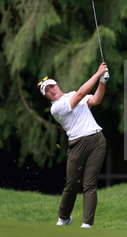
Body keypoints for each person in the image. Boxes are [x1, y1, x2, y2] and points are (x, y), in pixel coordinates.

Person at [37, 62, 109, 228]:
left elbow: (96, 99)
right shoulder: (56, 108)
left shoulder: (71, 95)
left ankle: (87, 224)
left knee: (89, 184)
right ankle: (63, 218)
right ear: (46, 97)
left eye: (52, 86)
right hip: (77, 144)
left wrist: (102, 82)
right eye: (47, 91)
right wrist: (98, 74)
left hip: (97, 141)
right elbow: (81, 93)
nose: (51, 90)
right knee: (72, 184)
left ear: (57, 85)